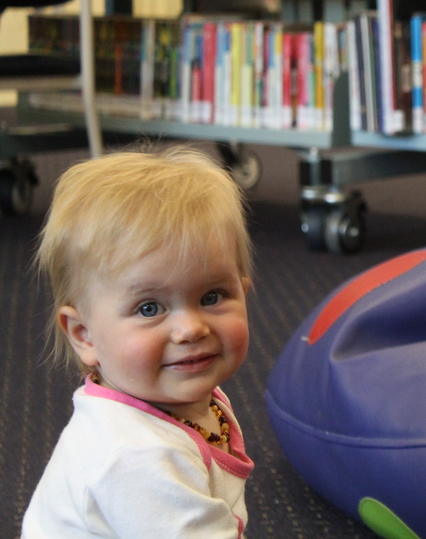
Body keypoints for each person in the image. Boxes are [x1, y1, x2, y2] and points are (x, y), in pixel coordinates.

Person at [21, 145, 255, 538]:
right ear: (84, 334)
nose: (191, 329)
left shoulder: (185, 400)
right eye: (149, 309)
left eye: (211, 297)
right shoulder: (135, 457)